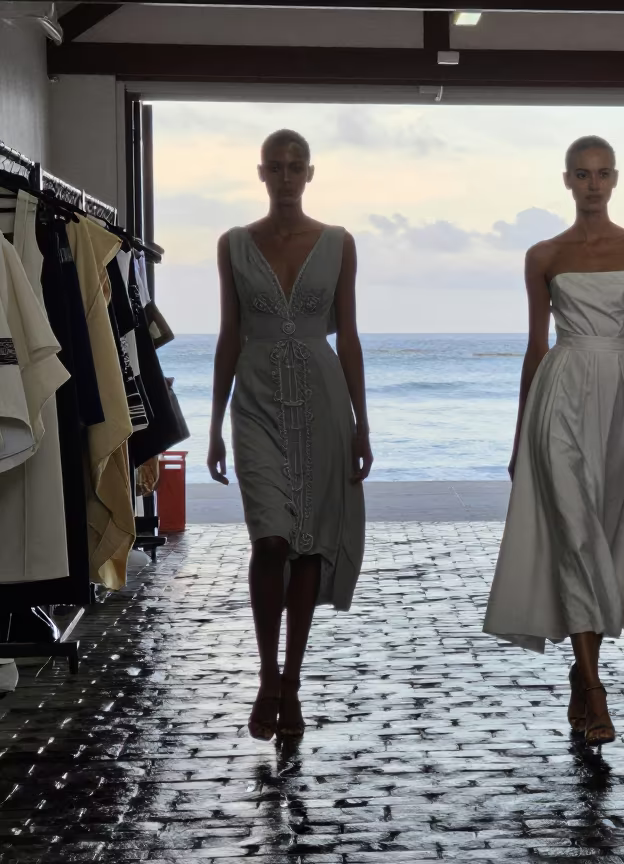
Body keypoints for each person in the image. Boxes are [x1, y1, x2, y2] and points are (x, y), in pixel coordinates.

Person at [483, 136, 624, 747]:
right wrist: (520, 430)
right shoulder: (543, 254)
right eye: (582, 174)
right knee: (575, 532)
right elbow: (534, 347)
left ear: (616, 178)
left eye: (603, 174)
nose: (593, 185)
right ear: (567, 180)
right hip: (561, 394)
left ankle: (584, 672)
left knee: (606, 533)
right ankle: (597, 690)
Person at [207, 129, 370, 741]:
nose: (284, 176)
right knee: (269, 541)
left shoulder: (338, 243)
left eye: (294, 166)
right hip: (254, 405)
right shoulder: (233, 244)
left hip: (323, 406)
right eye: (274, 167)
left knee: (306, 544)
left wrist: (362, 423)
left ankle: (292, 684)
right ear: (260, 173)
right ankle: (266, 675)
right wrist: (216, 424)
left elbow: (348, 336)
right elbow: (229, 335)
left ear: (309, 173)